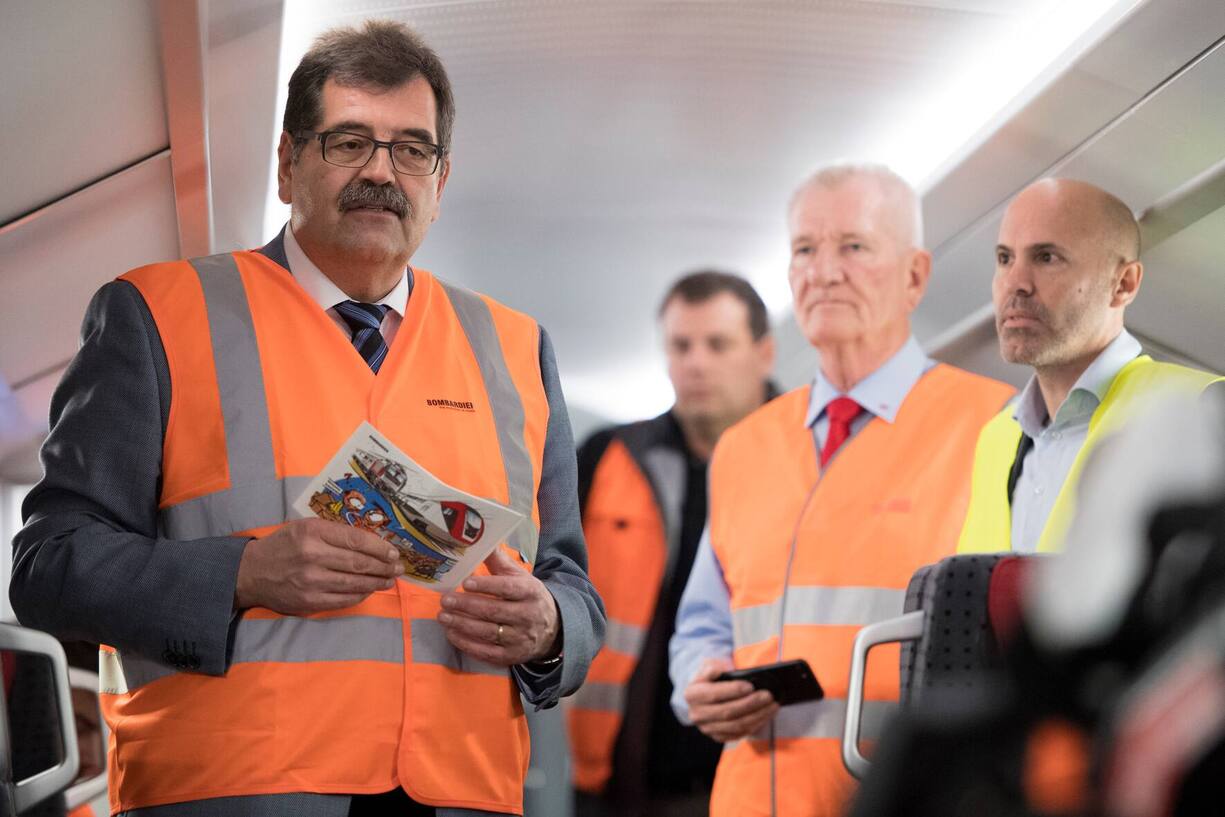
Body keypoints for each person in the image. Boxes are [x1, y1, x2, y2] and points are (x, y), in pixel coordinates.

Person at [10, 20, 604, 817]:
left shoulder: (516, 349)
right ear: (288, 167)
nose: (381, 172)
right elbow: (49, 567)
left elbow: (572, 584)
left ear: (441, 179)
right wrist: (245, 573)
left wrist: (550, 625)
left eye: (411, 149)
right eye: (348, 142)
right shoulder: (159, 314)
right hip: (231, 793)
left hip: (464, 792)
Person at [668, 163, 1015, 817]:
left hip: (900, 798)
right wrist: (698, 679)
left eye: (852, 246)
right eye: (804, 249)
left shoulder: (994, 426)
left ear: (913, 275)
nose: (822, 271)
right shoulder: (743, 445)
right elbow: (703, 622)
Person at [568, 271, 777, 816]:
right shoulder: (609, 457)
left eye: (718, 344)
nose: (697, 363)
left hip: (766, 770)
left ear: (764, 353)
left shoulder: (805, 457)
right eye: (681, 345)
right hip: (621, 778)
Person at [957, 178, 1222, 555]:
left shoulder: (1204, 408)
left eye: (1046, 257)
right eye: (1005, 259)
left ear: (1123, 283)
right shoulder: (994, 441)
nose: (1015, 283)